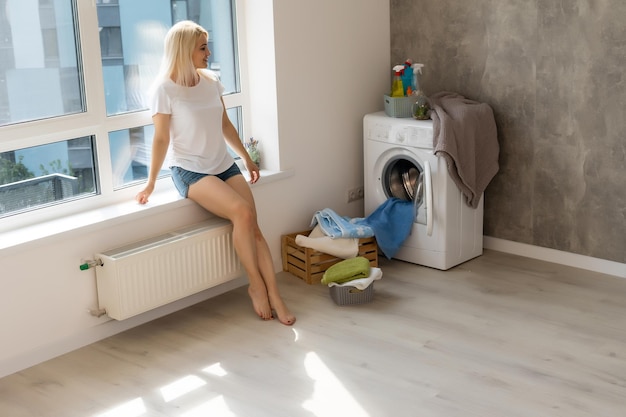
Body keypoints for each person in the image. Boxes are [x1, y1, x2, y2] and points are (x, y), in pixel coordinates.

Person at [135, 20, 295, 326]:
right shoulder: (164, 89)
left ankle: (276, 295)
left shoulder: (210, 82)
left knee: (255, 228)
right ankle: (256, 285)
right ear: (185, 51)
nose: (208, 53)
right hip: (190, 171)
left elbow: (224, 124)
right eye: (203, 47)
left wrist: (246, 159)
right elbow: (161, 139)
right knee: (242, 214)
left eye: (207, 46)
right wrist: (152, 182)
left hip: (223, 165)